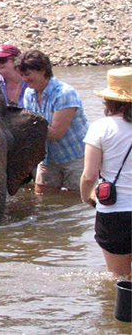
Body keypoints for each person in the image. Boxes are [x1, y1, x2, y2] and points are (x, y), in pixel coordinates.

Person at [80, 67, 132, 278]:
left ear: (109, 100)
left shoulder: (101, 128)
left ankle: (116, 310)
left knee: (118, 279)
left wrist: (87, 197)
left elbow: (89, 176)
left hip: (115, 213)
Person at [15, 50, 89, 194]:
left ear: (43, 70)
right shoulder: (29, 93)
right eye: (22, 75)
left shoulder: (64, 93)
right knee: (42, 198)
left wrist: (19, 127)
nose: (24, 79)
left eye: (28, 74)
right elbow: (31, 124)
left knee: (75, 202)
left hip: (75, 156)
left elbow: (56, 133)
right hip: (48, 157)